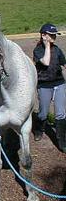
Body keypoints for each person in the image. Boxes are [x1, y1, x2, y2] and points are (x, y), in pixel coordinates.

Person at [33, 23, 66, 153]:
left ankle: (62, 142)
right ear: (43, 35)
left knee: (61, 113)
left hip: (59, 83)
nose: (54, 37)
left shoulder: (57, 50)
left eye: (54, 35)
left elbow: (64, 63)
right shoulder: (38, 50)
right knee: (43, 113)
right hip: (44, 85)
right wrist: (46, 45)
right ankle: (39, 130)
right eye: (51, 35)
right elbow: (46, 62)